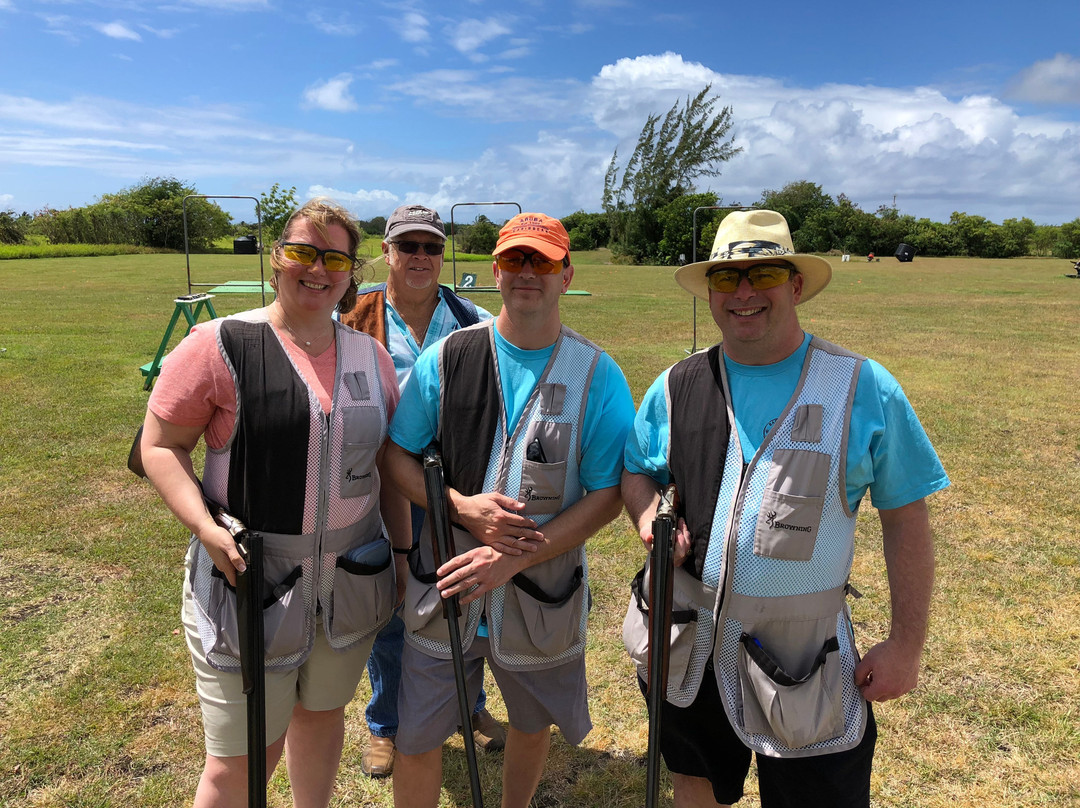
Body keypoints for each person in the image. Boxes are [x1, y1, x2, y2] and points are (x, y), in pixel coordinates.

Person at [621, 209, 949, 808]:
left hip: (805, 659)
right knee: (695, 783)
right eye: (727, 279)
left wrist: (906, 646)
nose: (744, 293)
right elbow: (637, 471)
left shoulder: (862, 387)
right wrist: (646, 516)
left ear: (795, 285)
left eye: (762, 273)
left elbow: (905, 517)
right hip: (685, 642)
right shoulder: (675, 384)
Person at [139, 198, 411, 807]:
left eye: (335, 257)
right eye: (302, 251)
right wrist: (206, 527)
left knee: (320, 714)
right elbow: (159, 445)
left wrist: (400, 553)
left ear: (351, 271)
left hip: (350, 585)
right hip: (248, 583)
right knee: (239, 760)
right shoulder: (219, 344)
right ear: (276, 258)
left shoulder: (373, 358)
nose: (318, 269)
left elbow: (388, 473)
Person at [384, 212, 636, 807]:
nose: (529, 273)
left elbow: (607, 493)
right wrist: (459, 508)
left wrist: (514, 559)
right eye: (516, 260)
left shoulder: (598, 374)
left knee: (530, 723)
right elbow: (396, 456)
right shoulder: (446, 358)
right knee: (417, 738)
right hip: (444, 586)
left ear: (566, 273)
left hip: (540, 591)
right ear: (495, 271)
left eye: (543, 261)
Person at [339, 204, 504, 777]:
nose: (419, 258)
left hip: (456, 485)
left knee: (466, 599)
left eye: (431, 248)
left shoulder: (474, 320)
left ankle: (470, 707)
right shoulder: (351, 321)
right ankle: (386, 723)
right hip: (374, 484)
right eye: (407, 246)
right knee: (391, 605)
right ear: (386, 251)